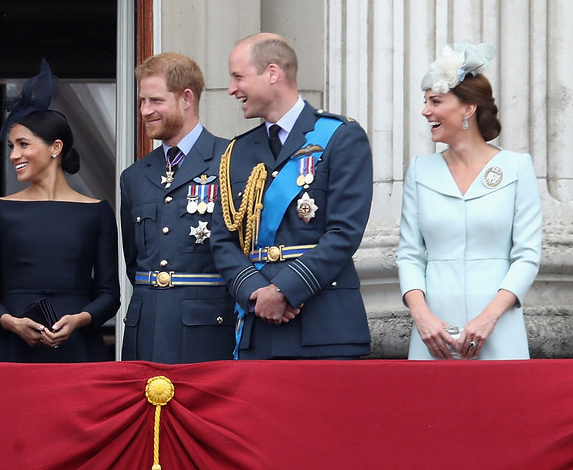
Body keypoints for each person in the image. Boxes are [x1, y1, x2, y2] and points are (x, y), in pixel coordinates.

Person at [210, 33, 372, 359]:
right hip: (259, 328)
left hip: (325, 328)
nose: (231, 89)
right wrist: (255, 292)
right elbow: (223, 240)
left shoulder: (340, 136)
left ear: (272, 73)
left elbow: (344, 233)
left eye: (238, 77)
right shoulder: (237, 152)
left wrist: (285, 290)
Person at [397, 42, 541, 360]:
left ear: (467, 108)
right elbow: (408, 255)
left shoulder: (517, 168)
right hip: (433, 332)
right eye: (425, 102)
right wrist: (422, 317)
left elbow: (527, 256)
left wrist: (488, 318)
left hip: (498, 327)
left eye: (435, 101)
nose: (425, 111)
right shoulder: (421, 171)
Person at [0, 61, 119, 362]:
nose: (14, 155)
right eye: (11, 146)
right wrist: (10, 322)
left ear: (55, 147)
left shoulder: (97, 212)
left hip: (79, 350)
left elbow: (109, 296)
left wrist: (79, 319)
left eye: (23, 144)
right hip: (11, 349)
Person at [119, 52, 235, 363]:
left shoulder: (231, 161)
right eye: (142, 101)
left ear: (186, 99)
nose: (145, 110)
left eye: (155, 101)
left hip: (207, 330)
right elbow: (134, 261)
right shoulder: (134, 176)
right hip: (145, 329)